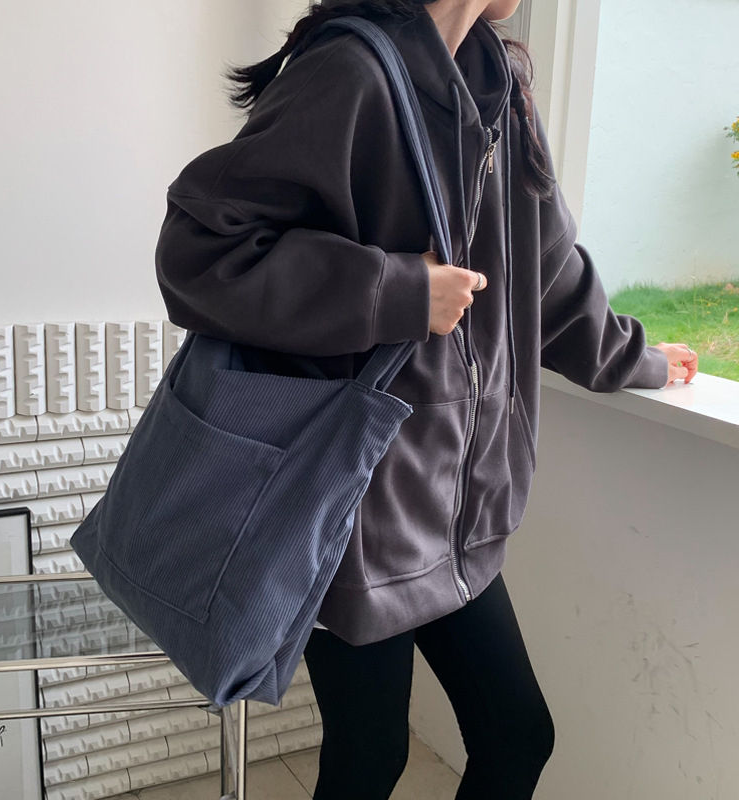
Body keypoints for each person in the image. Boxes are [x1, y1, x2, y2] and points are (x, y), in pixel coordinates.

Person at [154, 0, 699, 797]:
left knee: (517, 734)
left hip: (457, 506)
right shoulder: (349, 74)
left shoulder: (498, 83)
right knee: (371, 755)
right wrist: (398, 291)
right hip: (347, 505)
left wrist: (639, 359)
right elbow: (200, 250)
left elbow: (545, 273)